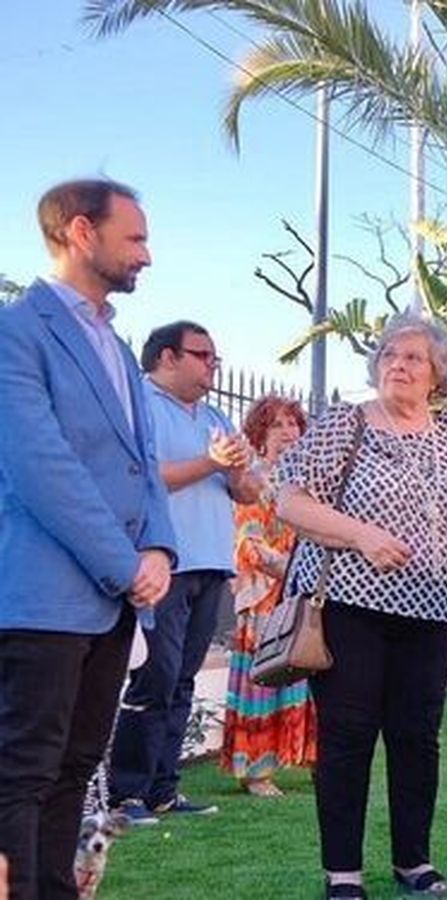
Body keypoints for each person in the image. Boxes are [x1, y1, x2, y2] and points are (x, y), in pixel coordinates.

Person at [275, 314, 447, 899]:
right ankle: (344, 872)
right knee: (349, 735)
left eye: (412, 358)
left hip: (429, 613)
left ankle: (413, 860)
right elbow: (289, 501)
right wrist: (361, 534)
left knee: (417, 736)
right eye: (389, 355)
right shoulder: (346, 423)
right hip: (350, 606)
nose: (398, 365)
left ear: (437, 374)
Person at [0, 179, 175, 900]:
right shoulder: (19, 330)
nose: (147, 255)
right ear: (80, 232)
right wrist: (125, 564)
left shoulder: (116, 341)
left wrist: (161, 549)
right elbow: (41, 466)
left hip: (118, 599)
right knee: (23, 772)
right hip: (43, 599)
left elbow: (143, 462)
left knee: (76, 768)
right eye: (133, 238)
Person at [107, 321, 263, 824]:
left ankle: (163, 791)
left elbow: (249, 491)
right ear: (168, 358)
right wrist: (210, 462)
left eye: (215, 358)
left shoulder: (216, 413)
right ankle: (125, 794)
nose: (212, 366)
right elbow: (141, 479)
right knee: (155, 677)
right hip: (161, 564)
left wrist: (236, 470)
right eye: (203, 355)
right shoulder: (141, 405)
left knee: (183, 681)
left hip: (212, 562)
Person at [220, 395, 315, 797]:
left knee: (310, 679)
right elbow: (248, 545)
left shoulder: (306, 480)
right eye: (277, 425)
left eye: (293, 424)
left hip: (301, 594)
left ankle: (312, 759)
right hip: (262, 598)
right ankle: (256, 770)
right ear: (259, 433)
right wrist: (294, 570)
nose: (288, 432)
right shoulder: (252, 480)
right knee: (263, 682)